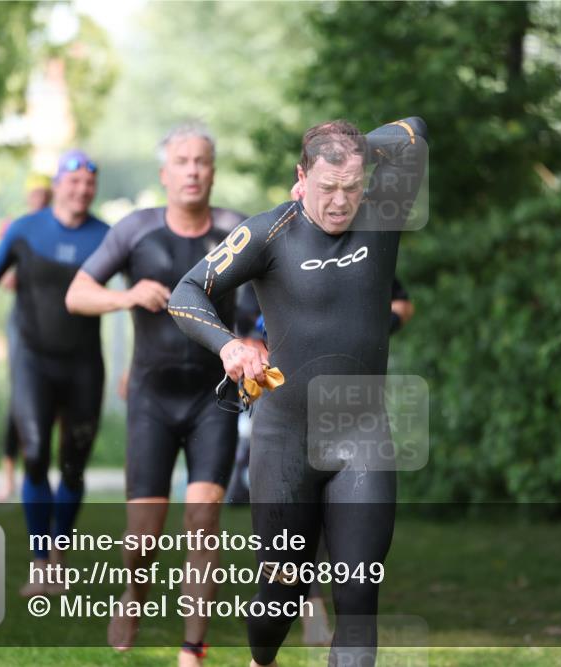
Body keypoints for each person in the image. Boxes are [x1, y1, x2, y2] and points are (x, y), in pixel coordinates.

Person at [169, 116, 427, 667]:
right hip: (284, 441)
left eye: (351, 187)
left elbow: (415, 132)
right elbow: (186, 292)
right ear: (300, 177)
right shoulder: (269, 232)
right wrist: (229, 347)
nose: (340, 202)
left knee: (358, 596)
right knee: (278, 604)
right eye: (327, 187)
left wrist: (351, 151)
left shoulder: (381, 216)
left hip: (362, 437)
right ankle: (262, 657)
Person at [65, 122, 252, 665]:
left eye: (202, 161)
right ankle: (134, 593)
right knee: (142, 536)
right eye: (183, 162)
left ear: (212, 171)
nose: (193, 170)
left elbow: (280, 282)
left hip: (214, 396)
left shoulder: (237, 231)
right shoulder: (135, 230)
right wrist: (128, 297)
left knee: (204, 518)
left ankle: (193, 645)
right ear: (164, 173)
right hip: (152, 396)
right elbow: (77, 295)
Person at [0, 150, 109, 596]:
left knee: (73, 466)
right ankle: (41, 562)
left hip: (83, 363)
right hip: (33, 361)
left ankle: (59, 560)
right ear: (58, 184)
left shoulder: (106, 236)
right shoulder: (25, 230)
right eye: (73, 182)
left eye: (88, 184)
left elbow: (138, 292)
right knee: (35, 454)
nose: (81, 190)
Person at [226, 273, 415, 647]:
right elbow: (244, 333)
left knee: (343, 530)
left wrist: (374, 329)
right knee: (294, 538)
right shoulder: (272, 258)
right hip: (286, 417)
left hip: (350, 413)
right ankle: (305, 612)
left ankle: (318, 611)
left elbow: (402, 305)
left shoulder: (360, 258)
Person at [0, 173, 54, 503]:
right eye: (35, 193)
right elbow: (3, 280)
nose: (39, 199)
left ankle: (44, 473)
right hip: (23, 326)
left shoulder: (63, 228)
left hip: (58, 327)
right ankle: (8, 479)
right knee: (20, 400)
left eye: (45, 194)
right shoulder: (15, 227)